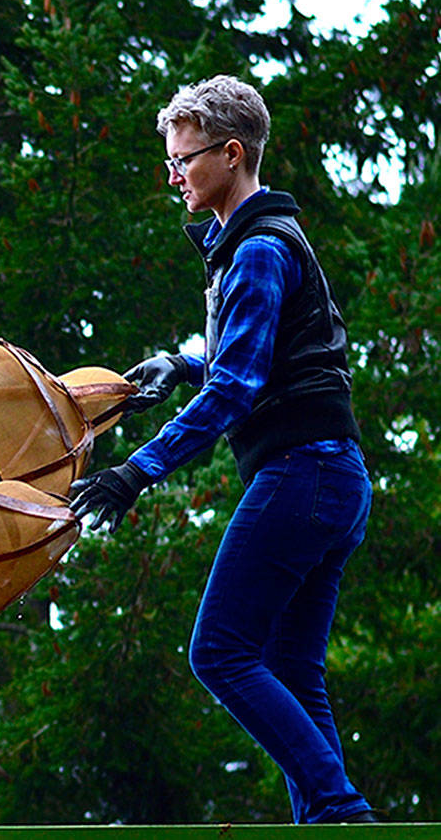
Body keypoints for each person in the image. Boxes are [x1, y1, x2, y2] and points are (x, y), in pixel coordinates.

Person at [70, 75, 376, 824]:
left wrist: (134, 472)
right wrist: (183, 365)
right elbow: (260, 363)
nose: (173, 175)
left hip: (302, 475)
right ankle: (331, 823)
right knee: (290, 669)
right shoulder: (255, 243)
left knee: (220, 653)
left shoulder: (258, 250)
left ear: (231, 154)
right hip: (335, 479)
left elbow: (237, 390)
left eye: (184, 160)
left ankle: (340, 812)